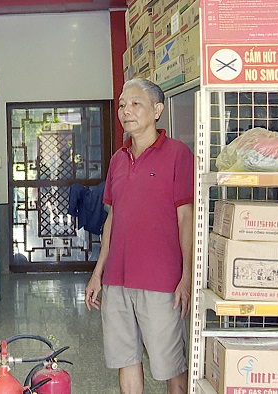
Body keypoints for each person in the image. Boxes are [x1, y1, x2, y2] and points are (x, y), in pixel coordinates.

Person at [84, 78, 194, 394]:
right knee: (126, 359)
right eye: (122, 104)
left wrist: (186, 275)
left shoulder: (178, 154)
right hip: (117, 280)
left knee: (171, 365)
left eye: (135, 104)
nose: (126, 111)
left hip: (161, 281)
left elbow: (185, 217)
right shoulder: (118, 159)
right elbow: (112, 220)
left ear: (157, 110)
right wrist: (97, 274)